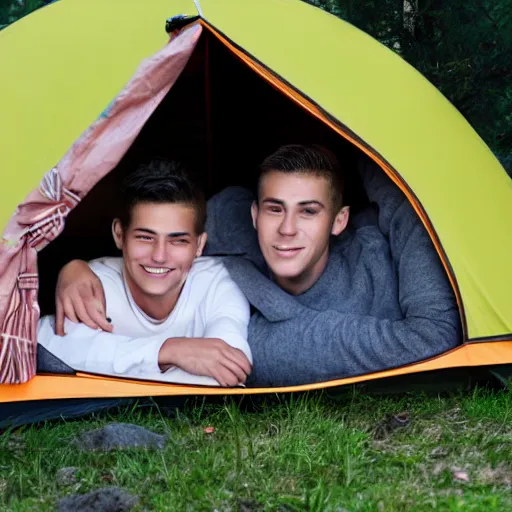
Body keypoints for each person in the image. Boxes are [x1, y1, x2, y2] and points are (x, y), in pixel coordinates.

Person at [55, 145, 460, 387]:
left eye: (308, 212)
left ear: (337, 220)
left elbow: (436, 334)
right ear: (255, 213)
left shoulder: (279, 346)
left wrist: (362, 149)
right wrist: (74, 266)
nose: (286, 229)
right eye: (274, 209)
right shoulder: (228, 217)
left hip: (394, 255)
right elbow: (156, 234)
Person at [38, 159, 252, 387]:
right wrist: (168, 351)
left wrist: (109, 365)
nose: (159, 255)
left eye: (178, 240)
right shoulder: (92, 284)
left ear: (199, 245)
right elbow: (47, 346)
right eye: (145, 237)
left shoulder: (220, 282)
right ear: (119, 235)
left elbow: (230, 369)